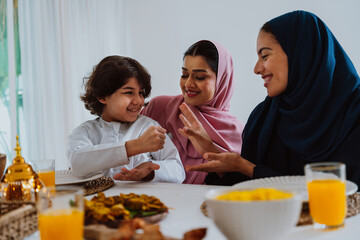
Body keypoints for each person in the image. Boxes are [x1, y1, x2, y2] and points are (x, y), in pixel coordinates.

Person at [182, 10, 360, 186]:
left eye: (265, 56)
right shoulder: (263, 117)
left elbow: (343, 190)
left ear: (300, 52)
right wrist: (214, 154)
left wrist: (249, 168)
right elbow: (246, 189)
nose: (257, 68)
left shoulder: (354, 112)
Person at [67, 56, 185, 183]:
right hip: (96, 202)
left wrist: (150, 173)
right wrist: (134, 147)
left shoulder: (148, 127)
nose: (138, 101)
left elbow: (178, 171)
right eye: (129, 92)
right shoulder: (85, 131)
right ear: (102, 96)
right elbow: (77, 163)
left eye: (141, 93)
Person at [141, 40, 244, 184]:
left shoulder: (236, 133)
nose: (188, 84)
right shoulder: (160, 108)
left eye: (200, 77)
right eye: (184, 75)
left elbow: (238, 186)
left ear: (222, 79)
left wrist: (209, 148)